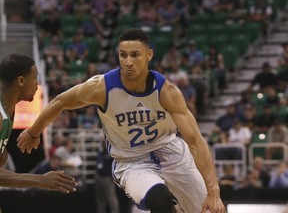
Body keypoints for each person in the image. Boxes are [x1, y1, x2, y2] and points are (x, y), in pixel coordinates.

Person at [17, 28, 226, 213]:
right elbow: (61, 101)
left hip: (171, 152)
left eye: (135, 55)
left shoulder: (167, 91)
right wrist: (34, 131)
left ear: (149, 55)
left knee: (210, 209)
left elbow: (196, 142)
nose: (128, 61)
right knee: (159, 200)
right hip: (132, 161)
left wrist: (214, 191)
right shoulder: (102, 87)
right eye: (123, 55)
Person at [0, 53, 76, 193]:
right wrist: (39, 179)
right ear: (21, 81)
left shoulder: (9, 107)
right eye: (34, 77)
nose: (37, 83)